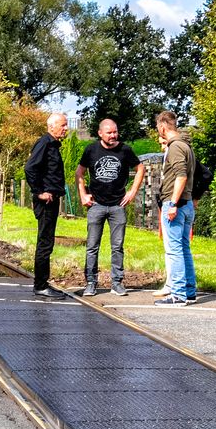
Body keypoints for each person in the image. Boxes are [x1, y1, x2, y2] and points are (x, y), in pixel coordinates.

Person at [76, 117, 144, 297]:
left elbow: (140, 169)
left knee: (117, 246)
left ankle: (117, 283)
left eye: (115, 132)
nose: (113, 135)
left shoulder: (125, 150)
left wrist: (132, 192)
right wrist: (83, 194)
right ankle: (91, 283)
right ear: (100, 133)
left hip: (117, 206)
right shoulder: (91, 150)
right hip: (96, 205)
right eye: (109, 132)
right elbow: (79, 172)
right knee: (92, 246)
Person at [152, 109, 198, 305]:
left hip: (176, 206)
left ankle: (178, 294)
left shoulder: (175, 147)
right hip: (186, 205)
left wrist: (172, 204)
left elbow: (181, 176)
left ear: (163, 127)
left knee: (174, 250)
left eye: (158, 128)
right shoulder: (186, 146)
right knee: (184, 249)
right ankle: (189, 291)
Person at [25, 112, 72, 300]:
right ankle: (41, 285)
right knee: (45, 243)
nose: (66, 128)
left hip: (52, 199)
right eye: (63, 125)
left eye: (66, 125)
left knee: (47, 242)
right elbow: (30, 168)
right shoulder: (44, 143)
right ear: (51, 126)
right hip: (46, 201)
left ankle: (42, 283)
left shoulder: (52, 144)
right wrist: (39, 192)